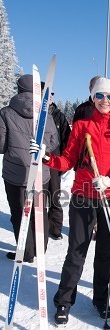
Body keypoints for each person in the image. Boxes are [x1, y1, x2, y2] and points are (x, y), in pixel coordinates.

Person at [31, 77, 110, 325]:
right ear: (92, 97)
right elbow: (67, 161)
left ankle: (101, 299)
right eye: (100, 95)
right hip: (83, 196)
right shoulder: (81, 126)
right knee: (76, 251)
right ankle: (64, 300)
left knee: (104, 252)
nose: (105, 101)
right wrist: (48, 158)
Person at [0, 74, 58, 262]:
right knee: (39, 211)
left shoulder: (6, 113)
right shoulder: (46, 114)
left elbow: (1, 145)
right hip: (42, 173)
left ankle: (26, 252)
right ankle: (40, 248)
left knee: (19, 213)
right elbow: (53, 142)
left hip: (15, 175)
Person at [41, 82, 71, 240]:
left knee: (54, 195)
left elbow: (67, 138)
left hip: (55, 158)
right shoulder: (35, 113)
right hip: (37, 159)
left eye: (52, 93)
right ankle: (39, 227)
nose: (51, 96)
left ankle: (55, 228)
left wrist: (63, 160)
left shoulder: (59, 115)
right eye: (48, 93)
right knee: (38, 195)